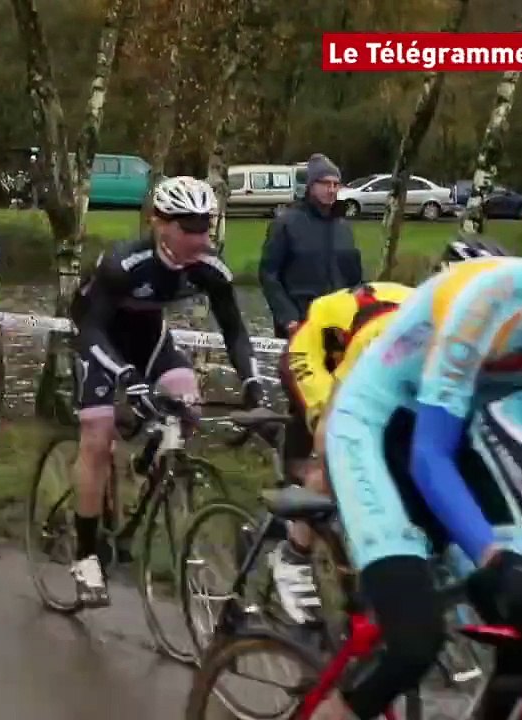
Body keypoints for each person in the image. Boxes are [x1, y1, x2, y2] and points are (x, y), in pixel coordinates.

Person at [313, 242, 522, 718]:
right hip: (375, 426)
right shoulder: (493, 296)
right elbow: (428, 457)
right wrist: (497, 560)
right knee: (413, 644)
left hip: (459, 431)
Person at [69, 176, 262, 607]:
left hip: (151, 338)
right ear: (161, 224)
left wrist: (251, 380)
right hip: (100, 339)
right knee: (98, 440)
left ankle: (149, 471)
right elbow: (92, 328)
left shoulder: (210, 269)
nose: (200, 236)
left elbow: (234, 329)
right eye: (189, 226)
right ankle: (85, 556)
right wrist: (124, 376)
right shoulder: (124, 264)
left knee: (186, 402)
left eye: (206, 225)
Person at [272, 279, 415, 626]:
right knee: (337, 448)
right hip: (317, 350)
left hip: (368, 332)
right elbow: (341, 412)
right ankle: (294, 555)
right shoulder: (393, 342)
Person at [258, 153, 361, 340]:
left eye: (335, 184)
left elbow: (354, 278)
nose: (331, 190)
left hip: (338, 327)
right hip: (298, 326)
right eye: (325, 183)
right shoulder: (286, 224)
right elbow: (269, 275)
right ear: (311, 186)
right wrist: (288, 318)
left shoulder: (343, 228)